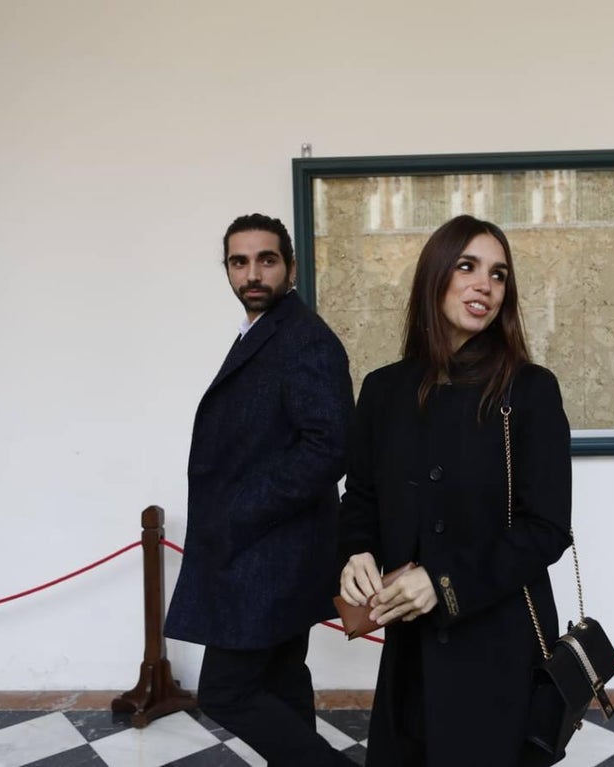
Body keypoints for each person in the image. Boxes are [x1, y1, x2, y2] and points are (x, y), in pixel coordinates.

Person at [338, 214, 573, 767]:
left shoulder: (531, 391)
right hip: (410, 655)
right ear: (434, 277)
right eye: (467, 266)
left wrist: (442, 583)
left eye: (498, 274)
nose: (484, 285)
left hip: (500, 648)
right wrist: (354, 552)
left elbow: (547, 530)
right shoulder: (383, 390)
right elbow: (362, 496)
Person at [165, 213, 355, 766]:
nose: (253, 273)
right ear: (227, 269)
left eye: (266, 260)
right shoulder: (262, 333)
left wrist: (239, 511)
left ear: (289, 268)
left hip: (269, 555)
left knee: (230, 692)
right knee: (279, 682)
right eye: (239, 261)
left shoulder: (303, 338)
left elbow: (330, 446)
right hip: (269, 553)